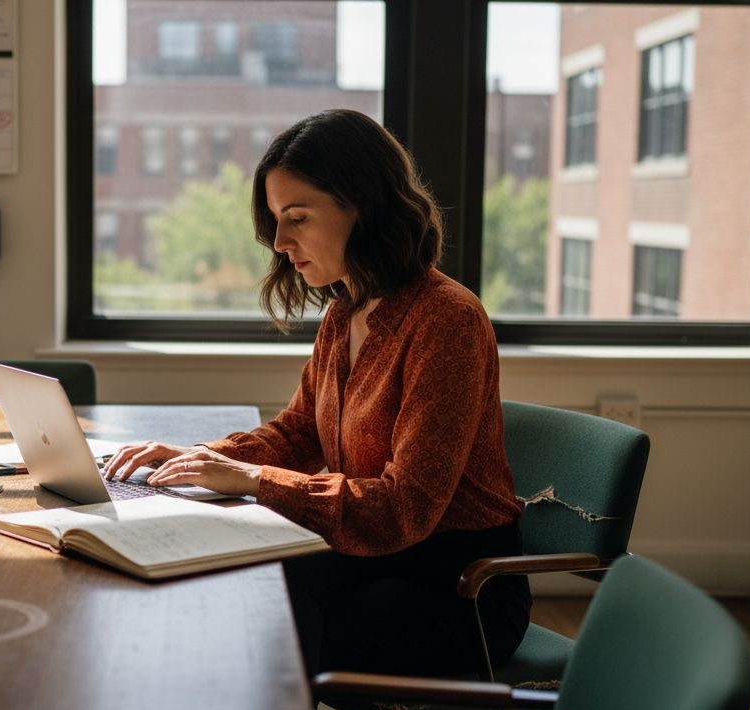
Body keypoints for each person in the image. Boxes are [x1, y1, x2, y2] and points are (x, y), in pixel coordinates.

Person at [102, 109, 530, 678]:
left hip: (456, 591)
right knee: (238, 587)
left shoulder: (446, 320)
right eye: (277, 220)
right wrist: (201, 459)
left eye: (297, 218)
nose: (280, 243)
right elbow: (302, 430)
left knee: (256, 610)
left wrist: (254, 481)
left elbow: (406, 507)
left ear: (363, 206)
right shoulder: (345, 307)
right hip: (378, 560)